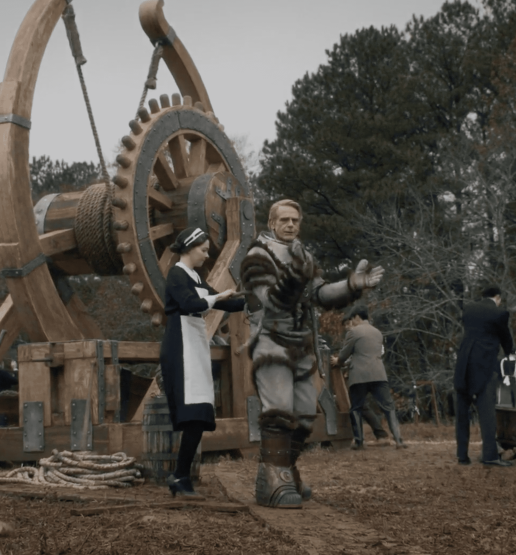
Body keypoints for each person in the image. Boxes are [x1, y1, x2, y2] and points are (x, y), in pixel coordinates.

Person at [240, 199, 383, 509]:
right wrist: (297, 273)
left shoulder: (302, 255)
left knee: (305, 415)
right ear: (272, 223)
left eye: (295, 220)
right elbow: (271, 300)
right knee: (279, 411)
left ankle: (287, 471)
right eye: (285, 220)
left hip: (301, 344)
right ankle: (273, 479)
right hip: (272, 342)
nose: (291, 224)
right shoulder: (257, 255)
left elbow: (319, 292)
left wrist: (351, 285)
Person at [159, 227, 245, 498]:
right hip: (180, 346)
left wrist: (257, 299)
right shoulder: (176, 274)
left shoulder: (196, 276)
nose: (207, 256)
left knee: (200, 412)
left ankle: (180, 475)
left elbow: (226, 304)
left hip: (194, 345)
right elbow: (189, 304)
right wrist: (216, 297)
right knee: (194, 412)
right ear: (189, 248)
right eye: (204, 250)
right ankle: (180, 476)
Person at [453, 285, 515, 467]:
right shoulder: (500, 313)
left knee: (462, 412)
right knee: (487, 412)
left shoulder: (468, 310)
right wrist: (510, 351)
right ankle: (489, 455)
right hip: (484, 366)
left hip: (463, 364)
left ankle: (462, 455)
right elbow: (506, 339)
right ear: (498, 297)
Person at [332, 305, 406, 450]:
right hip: (379, 374)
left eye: (352, 319)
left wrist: (338, 361)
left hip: (359, 375)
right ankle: (398, 440)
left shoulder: (354, 332)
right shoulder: (377, 332)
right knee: (389, 407)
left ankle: (359, 442)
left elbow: (344, 355)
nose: (352, 322)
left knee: (356, 407)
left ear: (357, 317)